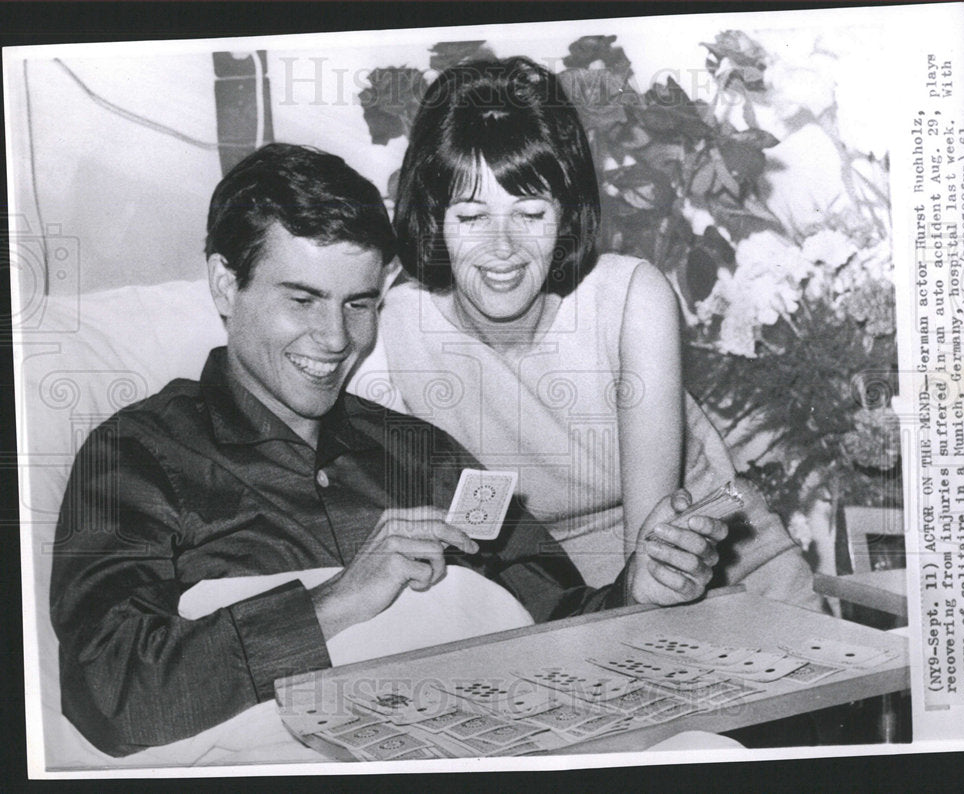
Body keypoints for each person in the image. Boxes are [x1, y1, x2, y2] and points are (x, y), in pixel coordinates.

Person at [50, 143, 727, 757]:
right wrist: (339, 600)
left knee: (708, 754)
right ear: (227, 285)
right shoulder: (138, 456)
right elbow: (105, 692)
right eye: (303, 299)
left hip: (493, 742)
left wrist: (640, 588)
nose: (335, 338)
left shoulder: (419, 452)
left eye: (359, 304)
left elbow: (553, 618)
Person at [350, 57, 821, 604]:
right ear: (433, 220)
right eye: (471, 216)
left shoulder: (631, 298)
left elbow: (652, 563)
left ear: (566, 212)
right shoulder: (395, 327)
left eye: (530, 214)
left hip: (714, 574)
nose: (502, 248)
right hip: (545, 601)